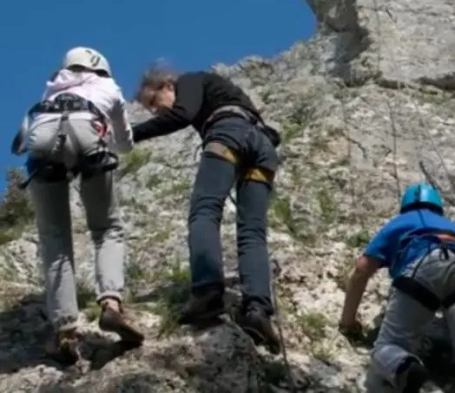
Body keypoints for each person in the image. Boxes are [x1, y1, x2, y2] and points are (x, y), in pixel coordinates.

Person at [131, 65, 282, 354]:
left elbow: (182, 115)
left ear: (167, 85)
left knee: (205, 211)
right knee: (253, 231)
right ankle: (258, 311)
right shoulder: (225, 93)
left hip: (228, 135)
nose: (155, 111)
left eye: (153, 102)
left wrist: (130, 134)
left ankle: (208, 291)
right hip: (262, 148)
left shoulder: (191, 80)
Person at [11, 47, 145, 365]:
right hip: (89, 131)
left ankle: (65, 331)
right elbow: (125, 144)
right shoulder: (107, 86)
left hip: (44, 138)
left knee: (55, 240)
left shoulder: (54, 87)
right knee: (107, 228)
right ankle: (111, 304)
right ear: (101, 68)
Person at [338, 182, 455, 393]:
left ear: (405, 206)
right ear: (438, 207)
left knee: (387, 347)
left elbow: (362, 268)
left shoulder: (399, 222)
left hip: (426, 260)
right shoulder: (452, 227)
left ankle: (405, 368)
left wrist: (348, 322)